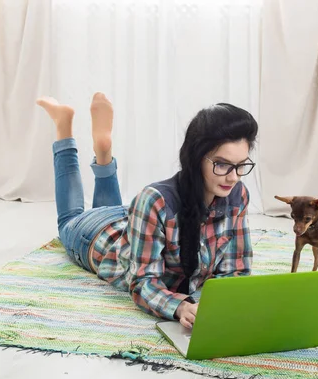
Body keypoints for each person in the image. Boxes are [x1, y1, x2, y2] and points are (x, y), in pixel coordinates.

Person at [36, 92, 258, 329]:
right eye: (222, 164)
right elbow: (142, 282)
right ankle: (64, 128)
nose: (233, 177)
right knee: (68, 218)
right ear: (196, 158)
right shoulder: (154, 200)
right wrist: (180, 306)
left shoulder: (237, 195)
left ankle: (103, 154)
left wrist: (229, 304)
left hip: (132, 221)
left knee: (113, 208)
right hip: (94, 235)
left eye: (241, 165)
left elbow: (236, 270)